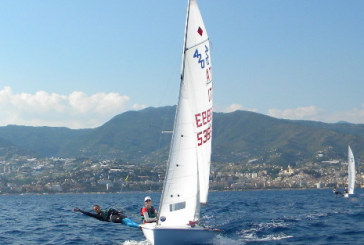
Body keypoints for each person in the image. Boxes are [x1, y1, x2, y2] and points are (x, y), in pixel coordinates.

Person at [73, 205, 139, 228]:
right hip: (112, 218)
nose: (97, 210)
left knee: (125, 218)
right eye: (95, 209)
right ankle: (138, 226)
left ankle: (139, 225)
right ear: (95, 211)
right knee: (123, 221)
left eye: (97, 208)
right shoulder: (98, 216)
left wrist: (118, 211)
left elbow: (112, 210)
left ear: (99, 207)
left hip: (116, 214)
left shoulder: (105, 210)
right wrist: (80, 210)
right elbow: (88, 214)